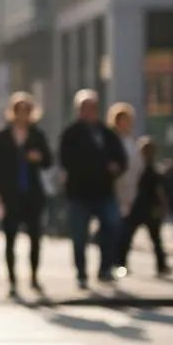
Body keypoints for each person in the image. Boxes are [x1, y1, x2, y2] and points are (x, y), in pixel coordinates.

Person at [0, 92, 53, 297]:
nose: (23, 114)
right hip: (10, 195)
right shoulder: (2, 137)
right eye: (19, 110)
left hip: (32, 194)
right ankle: (13, 280)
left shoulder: (37, 135)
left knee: (35, 238)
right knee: (10, 238)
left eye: (26, 110)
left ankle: (33, 276)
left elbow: (49, 161)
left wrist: (38, 157)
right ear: (13, 112)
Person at [59, 89, 127, 289]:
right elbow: (65, 160)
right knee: (79, 236)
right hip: (79, 193)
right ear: (79, 110)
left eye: (93, 107)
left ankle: (105, 269)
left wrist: (115, 167)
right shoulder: (71, 133)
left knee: (112, 226)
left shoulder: (106, 133)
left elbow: (121, 159)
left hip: (104, 191)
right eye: (85, 107)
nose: (89, 111)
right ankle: (81, 273)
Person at [122, 137, 172, 276]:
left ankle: (160, 265)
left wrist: (162, 205)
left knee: (153, 238)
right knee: (130, 236)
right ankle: (121, 264)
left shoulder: (151, 168)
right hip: (139, 206)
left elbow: (159, 190)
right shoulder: (138, 167)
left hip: (147, 207)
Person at [108, 102, 142, 273]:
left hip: (131, 190)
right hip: (115, 190)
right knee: (115, 228)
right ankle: (113, 261)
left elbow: (137, 166)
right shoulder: (112, 140)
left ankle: (121, 260)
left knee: (127, 229)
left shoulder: (131, 141)